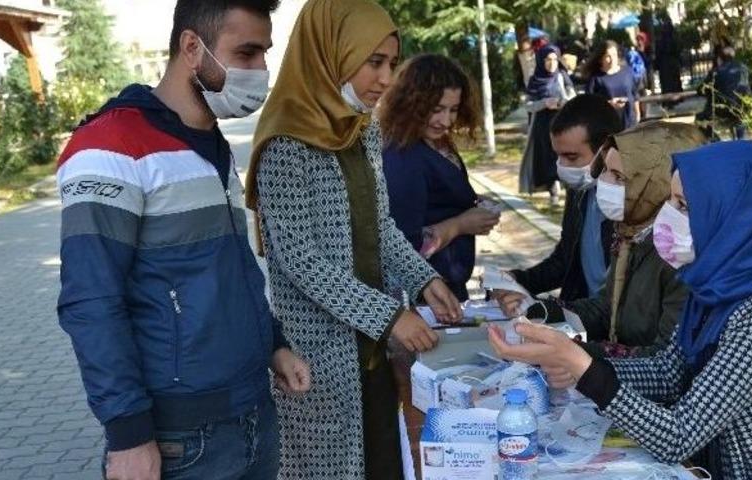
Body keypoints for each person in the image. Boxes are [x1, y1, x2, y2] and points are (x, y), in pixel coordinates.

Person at [56, 2, 311, 479]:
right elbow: (91, 301)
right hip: (179, 441)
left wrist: (273, 344)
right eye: (247, 53)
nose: (261, 71)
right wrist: (129, 436)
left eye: (264, 54)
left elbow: (227, 271)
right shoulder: (110, 146)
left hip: (253, 415)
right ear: (192, 47)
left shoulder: (210, 142)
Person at [489, 140, 752, 479]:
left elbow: (679, 436)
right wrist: (577, 363)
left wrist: (587, 370)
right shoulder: (715, 289)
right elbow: (670, 374)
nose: (665, 214)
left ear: (742, 222)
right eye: (671, 198)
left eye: (684, 205)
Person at [244, 1, 462, 478]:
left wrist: (425, 280)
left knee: (385, 462)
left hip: (373, 353)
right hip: (319, 363)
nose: (386, 78)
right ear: (330, 52)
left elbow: (380, 226)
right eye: (374, 62)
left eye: (391, 63)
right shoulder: (286, 143)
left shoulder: (361, 130)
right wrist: (389, 317)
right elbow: (300, 260)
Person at [564, 121, 704, 357]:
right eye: (606, 170)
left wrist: (580, 355)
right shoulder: (629, 232)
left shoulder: (679, 250)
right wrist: (537, 310)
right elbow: (607, 308)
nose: (605, 182)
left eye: (619, 177)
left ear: (656, 184)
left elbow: (667, 362)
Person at [380, 54, 498, 301]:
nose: (446, 121)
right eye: (436, 110)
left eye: (453, 110)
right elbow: (404, 248)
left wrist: (472, 203)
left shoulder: (433, 141)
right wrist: (461, 224)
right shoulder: (403, 157)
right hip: (426, 298)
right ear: (412, 103)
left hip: (448, 288)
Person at [493, 95, 620, 314]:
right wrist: (517, 280)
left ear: (606, 149)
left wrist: (542, 309)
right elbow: (565, 260)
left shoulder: (633, 203)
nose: (561, 166)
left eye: (571, 157)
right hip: (585, 321)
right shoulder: (580, 189)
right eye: (558, 156)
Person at [519, 45, 576, 202]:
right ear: (541, 61)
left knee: (565, 154)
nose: (551, 63)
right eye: (548, 60)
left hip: (562, 122)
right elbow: (528, 105)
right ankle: (553, 190)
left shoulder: (562, 76)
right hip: (542, 125)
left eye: (554, 60)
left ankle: (568, 187)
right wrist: (545, 103)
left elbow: (572, 95)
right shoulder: (535, 80)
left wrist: (562, 102)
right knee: (547, 157)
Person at [696, 46, 752, 140]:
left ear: (720, 57)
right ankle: (741, 139)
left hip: (723, 110)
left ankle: (715, 143)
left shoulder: (716, 72)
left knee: (700, 119)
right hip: (743, 108)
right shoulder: (744, 68)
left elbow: (701, 89)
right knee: (739, 118)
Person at [585, 40, 640, 129]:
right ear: (600, 59)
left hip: (630, 122)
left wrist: (638, 114)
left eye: (614, 55)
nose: (612, 59)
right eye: (608, 56)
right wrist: (608, 104)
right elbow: (589, 104)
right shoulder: (595, 78)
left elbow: (635, 94)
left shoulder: (627, 72)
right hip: (608, 125)